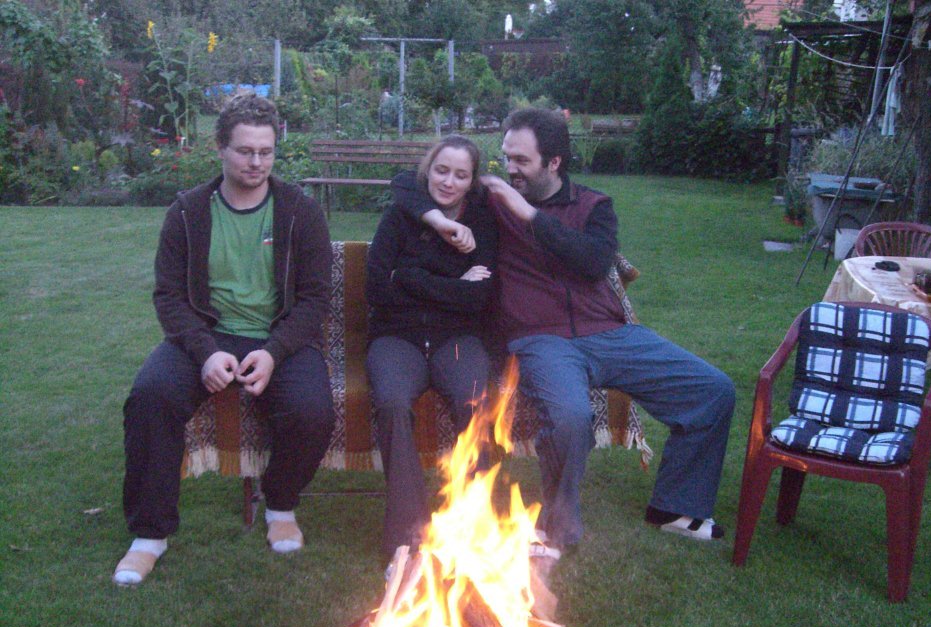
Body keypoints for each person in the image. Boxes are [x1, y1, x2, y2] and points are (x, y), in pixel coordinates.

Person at [391, 108, 735, 562]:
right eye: (506, 157)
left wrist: (530, 216)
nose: (509, 168)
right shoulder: (492, 201)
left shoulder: (593, 207)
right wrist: (441, 221)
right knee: (571, 417)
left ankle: (675, 507)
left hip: (609, 333)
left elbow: (592, 263)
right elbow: (404, 184)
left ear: (553, 162)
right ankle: (553, 527)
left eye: (521, 160)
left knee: (713, 390)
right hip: (540, 338)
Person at [113, 93, 334, 585]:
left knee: (313, 412)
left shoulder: (300, 212)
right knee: (150, 397)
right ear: (220, 148)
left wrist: (274, 352)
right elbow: (169, 296)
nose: (256, 162)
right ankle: (149, 534)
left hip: (277, 340)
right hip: (206, 336)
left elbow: (315, 299)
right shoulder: (188, 211)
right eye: (245, 151)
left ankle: (279, 503)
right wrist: (205, 351)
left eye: (266, 152)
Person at [367, 135, 498, 556]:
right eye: (441, 170)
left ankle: (473, 526)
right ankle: (409, 533)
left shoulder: (482, 224)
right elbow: (376, 289)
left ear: (472, 180)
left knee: (474, 400)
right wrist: (453, 284)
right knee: (391, 402)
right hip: (396, 337)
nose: (448, 182)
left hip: (456, 338)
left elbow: (479, 297)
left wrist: (407, 277)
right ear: (428, 170)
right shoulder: (400, 217)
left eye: (460, 175)